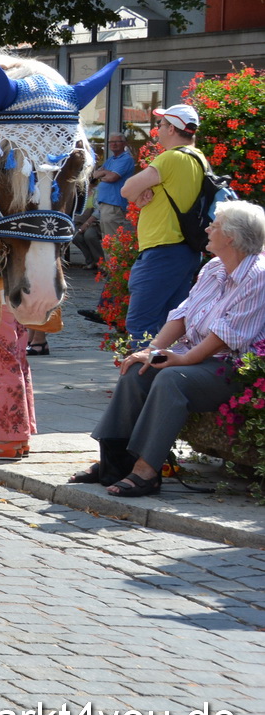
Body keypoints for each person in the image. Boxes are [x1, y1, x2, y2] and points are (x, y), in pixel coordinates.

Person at [78, 201, 265, 497]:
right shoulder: (214, 268)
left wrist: (182, 359)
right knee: (137, 370)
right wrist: (152, 350)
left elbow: (228, 336)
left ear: (231, 236)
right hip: (195, 355)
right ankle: (114, 463)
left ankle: (146, 471)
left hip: (229, 365)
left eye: (214, 225)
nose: (207, 228)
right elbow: (182, 313)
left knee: (171, 380)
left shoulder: (258, 276)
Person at [121, 104, 209, 342]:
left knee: (142, 325)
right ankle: (161, 376)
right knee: (172, 325)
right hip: (184, 251)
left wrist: (141, 191)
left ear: (172, 128)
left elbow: (127, 190)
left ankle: (141, 377)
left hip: (162, 250)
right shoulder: (198, 157)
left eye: (160, 125)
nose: (156, 129)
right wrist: (146, 191)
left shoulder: (172, 157)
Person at [0, 305, 37, 458]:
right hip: (16, 299)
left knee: (3, 364)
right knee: (17, 361)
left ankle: (10, 439)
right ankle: (20, 437)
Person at [93, 131, 136, 259]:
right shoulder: (111, 159)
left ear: (124, 143)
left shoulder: (126, 159)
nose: (114, 144)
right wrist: (103, 174)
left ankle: (114, 273)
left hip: (114, 205)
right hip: (106, 205)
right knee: (107, 240)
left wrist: (104, 173)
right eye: (111, 142)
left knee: (113, 241)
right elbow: (95, 174)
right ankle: (110, 272)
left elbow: (112, 177)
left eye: (117, 141)